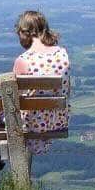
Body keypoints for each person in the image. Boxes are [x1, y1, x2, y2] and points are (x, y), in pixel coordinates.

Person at [12, 10, 71, 162]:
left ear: (24, 33)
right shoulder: (62, 54)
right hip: (58, 120)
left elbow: (13, 100)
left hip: (33, 123)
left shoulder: (23, 60)